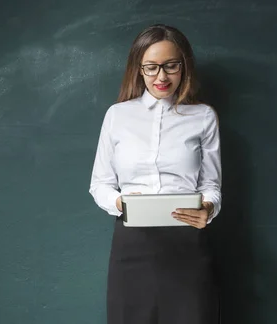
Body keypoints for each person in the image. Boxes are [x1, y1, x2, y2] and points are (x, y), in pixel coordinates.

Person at [89, 24, 222, 324]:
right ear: (138, 69)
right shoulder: (117, 116)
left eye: (170, 66)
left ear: (183, 66)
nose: (161, 77)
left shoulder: (203, 117)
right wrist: (121, 202)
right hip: (132, 244)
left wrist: (209, 209)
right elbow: (100, 184)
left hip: (187, 244)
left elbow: (212, 185)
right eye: (151, 67)